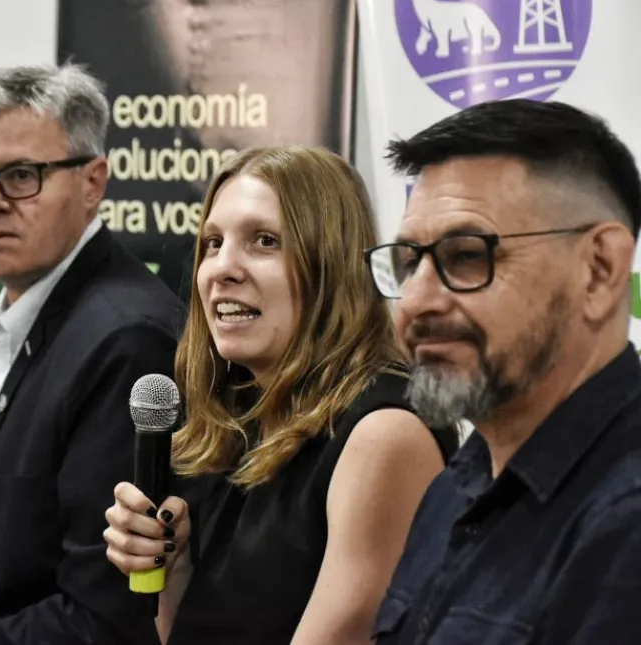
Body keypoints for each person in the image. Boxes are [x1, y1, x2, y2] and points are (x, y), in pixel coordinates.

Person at [103, 146, 458, 645]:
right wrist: (173, 566)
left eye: (264, 241)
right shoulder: (230, 415)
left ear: (329, 263)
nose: (221, 269)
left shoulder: (383, 433)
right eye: (211, 243)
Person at [0, 64, 183, 645]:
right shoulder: (11, 319)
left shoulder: (128, 340)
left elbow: (103, 615)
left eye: (20, 175)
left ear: (93, 183)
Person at [364, 99, 641, 644]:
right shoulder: (454, 486)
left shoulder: (626, 523)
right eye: (407, 263)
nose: (416, 301)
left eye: (466, 255)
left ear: (600, 271)